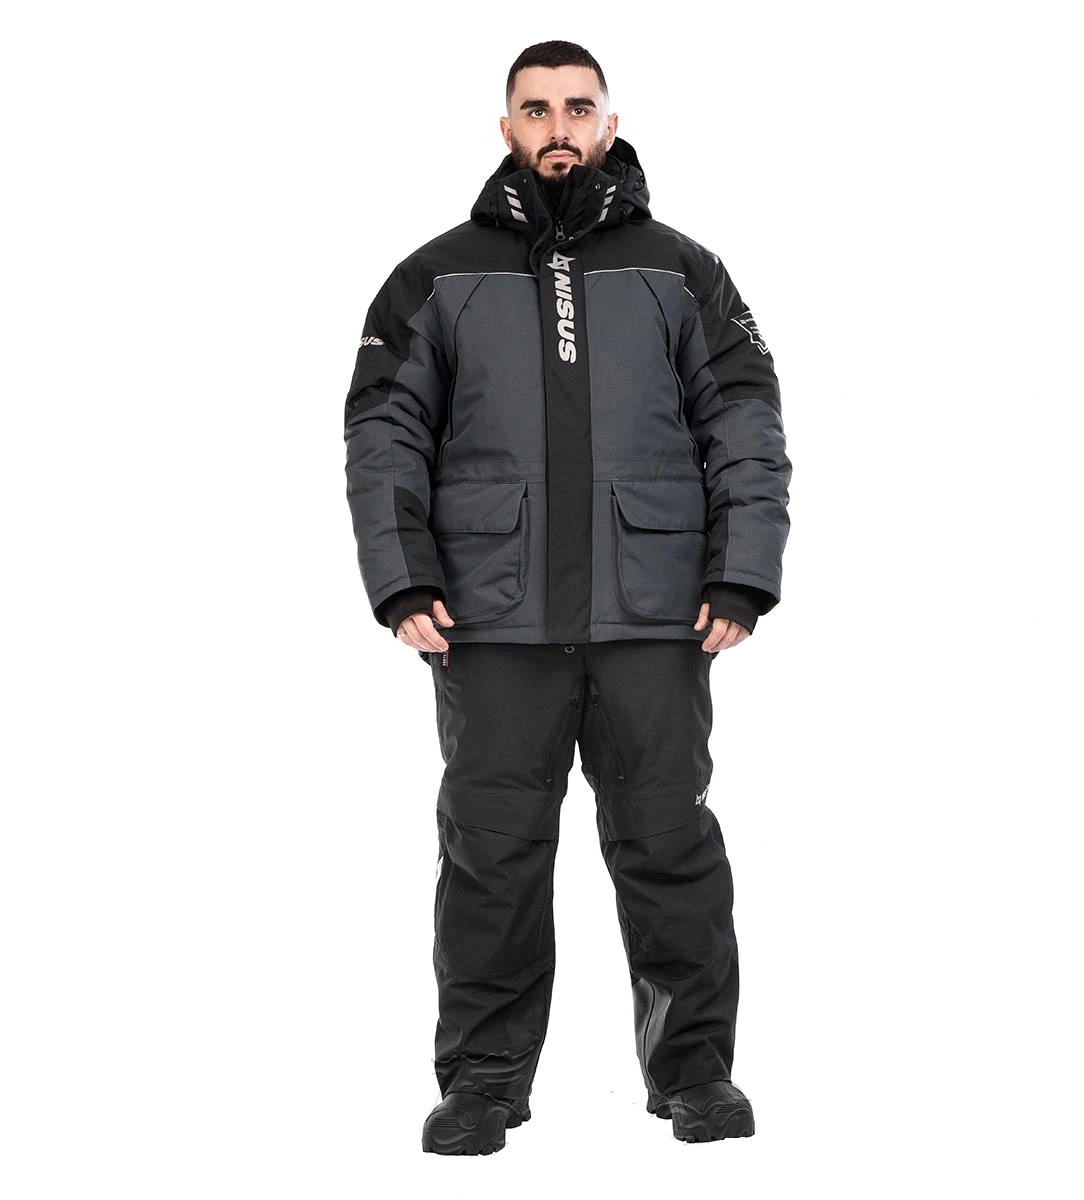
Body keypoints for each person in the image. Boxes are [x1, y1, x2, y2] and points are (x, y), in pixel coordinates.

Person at [342, 40, 791, 1154]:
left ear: (608, 122)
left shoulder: (682, 270)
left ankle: (695, 1072)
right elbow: (384, 432)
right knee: (490, 855)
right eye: (536, 109)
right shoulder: (435, 276)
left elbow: (746, 421)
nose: (558, 127)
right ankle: (483, 1082)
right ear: (506, 128)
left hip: (655, 613)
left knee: (669, 846)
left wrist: (741, 570)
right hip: (490, 618)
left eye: (577, 108)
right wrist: (403, 578)